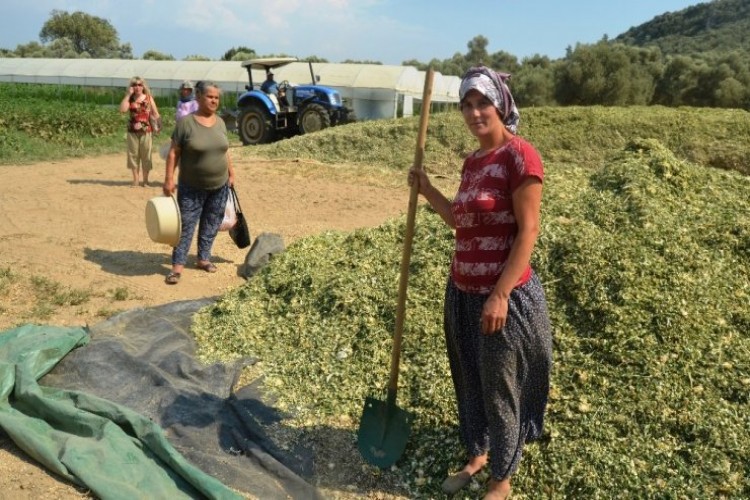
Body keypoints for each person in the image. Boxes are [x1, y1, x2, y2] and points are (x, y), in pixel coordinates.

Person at [408, 66, 552, 500]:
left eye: (482, 103)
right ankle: (477, 454)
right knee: (469, 378)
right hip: (462, 291)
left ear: (500, 105)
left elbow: (528, 231)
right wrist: (428, 189)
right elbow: (460, 220)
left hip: (500, 297)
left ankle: (501, 480)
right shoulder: (472, 162)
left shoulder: (520, 156)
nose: (474, 113)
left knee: (500, 387)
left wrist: (501, 294)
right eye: (466, 105)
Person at [162, 81, 235, 285]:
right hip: (191, 186)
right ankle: (177, 267)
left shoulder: (220, 122)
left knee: (211, 223)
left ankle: (203, 258)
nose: (213, 100)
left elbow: (225, 149)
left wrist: (231, 173)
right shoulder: (186, 123)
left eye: (216, 97)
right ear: (198, 97)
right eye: (209, 96)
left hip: (219, 185)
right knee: (186, 226)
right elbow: (174, 152)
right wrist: (168, 179)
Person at [120, 76, 161, 187]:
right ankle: (136, 180)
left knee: (146, 155)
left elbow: (155, 113)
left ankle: (146, 181)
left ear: (143, 86)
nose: (137, 87)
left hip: (146, 131)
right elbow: (123, 110)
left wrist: (159, 125)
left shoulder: (148, 98)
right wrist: (128, 95)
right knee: (133, 155)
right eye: (134, 85)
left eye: (139, 84)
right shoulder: (130, 98)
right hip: (132, 131)